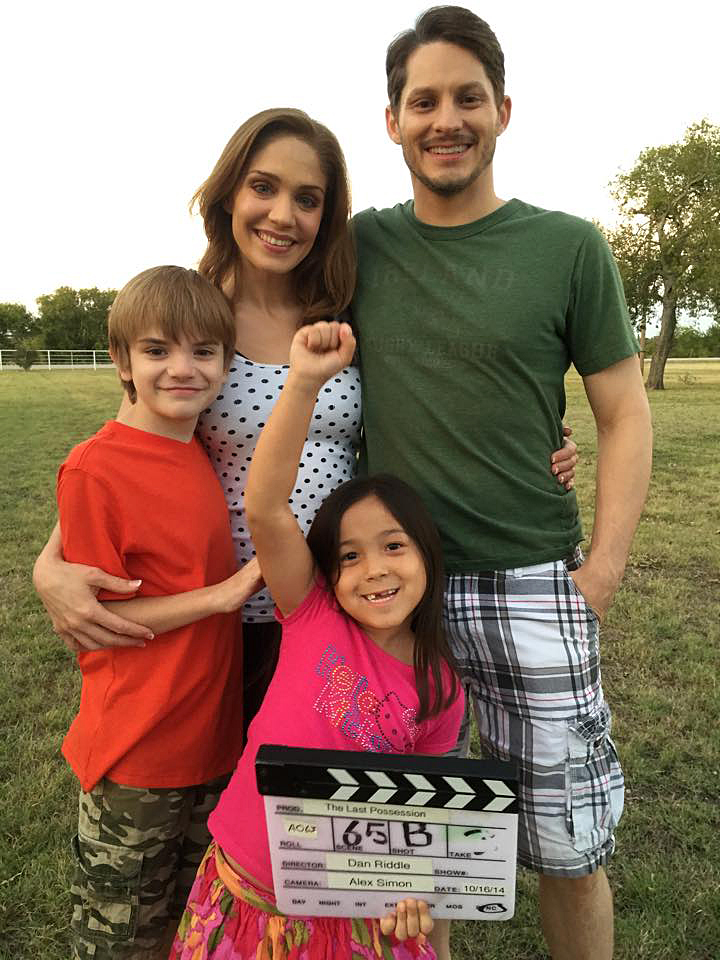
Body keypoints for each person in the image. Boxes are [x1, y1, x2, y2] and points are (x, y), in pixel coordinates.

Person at [32, 108, 576, 737]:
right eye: (263, 187)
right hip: (224, 605)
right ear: (229, 192)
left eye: (308, 198)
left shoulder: (343, 311)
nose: (283, 215)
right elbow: (127, 454)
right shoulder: (194, 321)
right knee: (224, 794)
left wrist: (546, 442)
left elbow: (429, 397)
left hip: (335, 598)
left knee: (324, 806)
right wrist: (52, 560)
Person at [348, 7, 653, 960]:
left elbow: (623, 413)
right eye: (424, 99)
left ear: (504, 110)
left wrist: (598, 571)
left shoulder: (566, 246)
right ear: (390, 120)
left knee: (567, 846)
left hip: (531, 578)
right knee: (407, 851)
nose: (448, 119)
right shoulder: (355, 248)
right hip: (387, 591)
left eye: (467, 98)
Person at [170, 319, 464, 959]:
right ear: (328, 576)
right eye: (350, 557)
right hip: (245, 892)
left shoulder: (442, 689)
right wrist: (304, 381)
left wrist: (419, 900)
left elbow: (431, 828)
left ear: (428, 555)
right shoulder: (313, 615)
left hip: (355, 916)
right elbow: (267, 506)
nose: (376, 569)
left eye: (394, 546)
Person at [56, 265, 263, 960]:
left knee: (192, 925)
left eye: (204, 352)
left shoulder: (200, 447)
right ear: (122, 360)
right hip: (138, 754)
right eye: (157, 351)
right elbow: (108, 618)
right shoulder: (96, 467)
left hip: (210, 739)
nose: (183, 369)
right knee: (122, 934)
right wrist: (227, 594)